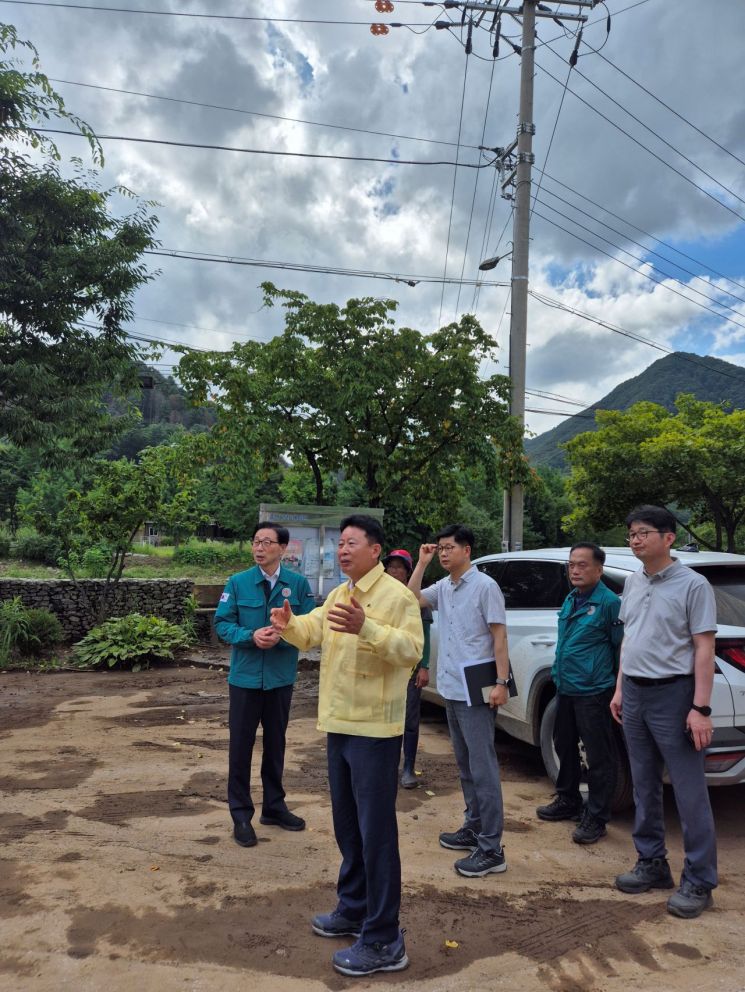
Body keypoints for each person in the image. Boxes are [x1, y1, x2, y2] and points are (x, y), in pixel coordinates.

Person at [270, 514, 423, 978]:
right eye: (340, 544)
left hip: (375, 730)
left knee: (377, 835)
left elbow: (411, 652)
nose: (342, 550)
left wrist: (368, 629)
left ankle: (384, 939)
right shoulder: (340, 594)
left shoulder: (396, 597)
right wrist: (288, 623)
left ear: (375, 549)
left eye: (351, 543)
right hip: (339, 725)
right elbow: (312, 631)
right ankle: (353, 906)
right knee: (349, 827)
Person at [610, 505, 718, 919]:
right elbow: (629, 639)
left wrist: (700, 708)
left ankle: (700, 879)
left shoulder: (693, 585)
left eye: (643, 533)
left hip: (675, 695)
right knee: (643, 784)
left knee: (689, 792)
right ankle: (652, 862)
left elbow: (704, 647)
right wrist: (620, 688)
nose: (635, 539)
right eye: (631, 533)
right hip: (635, 694)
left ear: (668, 538)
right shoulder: (634, 582)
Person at [408, 524, 510, 878]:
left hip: (476, 689)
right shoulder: (445, 587)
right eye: (441, 548)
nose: (444, 553)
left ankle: (492, 848)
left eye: (450, 547)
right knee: (466, 766)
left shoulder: (484, 586)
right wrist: (421, 563)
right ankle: (473, 826)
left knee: (483, 767)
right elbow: (411, 599)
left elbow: (499, 636)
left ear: (467, 550)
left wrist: (502, 681)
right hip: (451, 686)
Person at [214, 521, 315, 848]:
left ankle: (274, 806)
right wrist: (250, 636)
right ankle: (241, 814)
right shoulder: (238, 582)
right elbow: (222, 624)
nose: (259, 548)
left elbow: (310, 628)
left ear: (283, 548)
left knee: (276, 745)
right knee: (240, 748)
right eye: (256, 541)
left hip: (280, 680)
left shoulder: (297, 585)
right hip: (244, 680)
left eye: (267, 542)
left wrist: (282, 638)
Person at [536, 543, 623, 844]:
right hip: (566, 687)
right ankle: (568, 799)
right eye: (572, 564)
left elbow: (619, 648)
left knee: (599, 756)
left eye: (582, 565)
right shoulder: (572, 598)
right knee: (563, 743)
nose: (575, 569)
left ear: (599, 569)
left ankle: (596, 817)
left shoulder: (609, 603)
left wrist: (612, 686)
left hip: (594, 690)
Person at [382, 549, 433, 789]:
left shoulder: (416, 599)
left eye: (399, 567)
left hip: (410, 669)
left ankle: (409, 768)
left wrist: (424, 666)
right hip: (385, 668)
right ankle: (387, 766)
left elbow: (425, 635)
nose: (394, 571)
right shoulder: (379, 595)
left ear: (408, 571)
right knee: (384, 717)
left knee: (410, 719)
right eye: (390, 566)